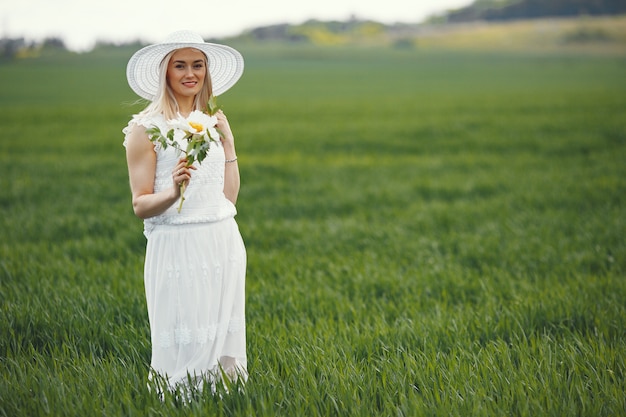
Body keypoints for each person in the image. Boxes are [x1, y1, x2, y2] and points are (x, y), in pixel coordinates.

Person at [122, 30, 247, 395]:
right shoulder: (144, 129)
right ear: (166, 72)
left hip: (222, 241)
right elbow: (139, 204)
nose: (190, 73)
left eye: (198, 65)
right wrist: (174, 191)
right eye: (180, 65)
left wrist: (229, 143)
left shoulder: (210, 122)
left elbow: (228, 198)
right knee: (186, 332)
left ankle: (225, 399)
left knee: (221, 333)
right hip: (177, 243)